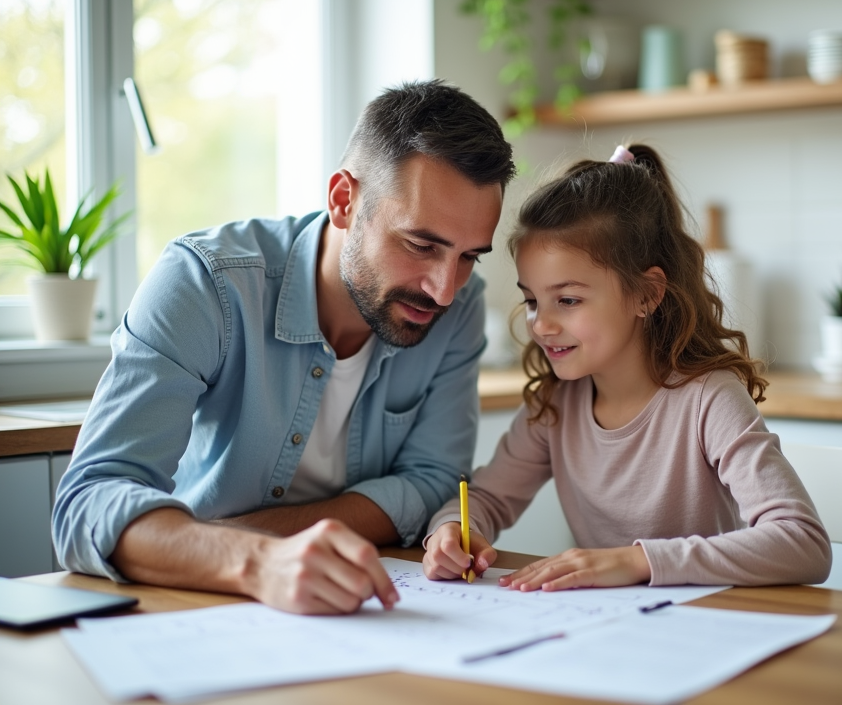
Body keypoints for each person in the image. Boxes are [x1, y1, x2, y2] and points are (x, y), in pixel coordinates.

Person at [53, 80, 516, 614]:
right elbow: (87, 502)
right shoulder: (205, 284)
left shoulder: (459, 308)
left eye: (468, 257)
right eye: (420, 245)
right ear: (344, 200)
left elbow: (434, 479)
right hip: (193, 601)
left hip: (352, 604)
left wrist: (246, 536)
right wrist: (257, 558)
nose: (444, 289)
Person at [423, 144, 831, 591]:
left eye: (569, 300)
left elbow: (803, 542)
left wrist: (639, 562)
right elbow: (483, 498)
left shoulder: (708, 399)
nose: (541, 323)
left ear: (647, 294)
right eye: (533, 300)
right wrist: (449, 532)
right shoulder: (555, 404)